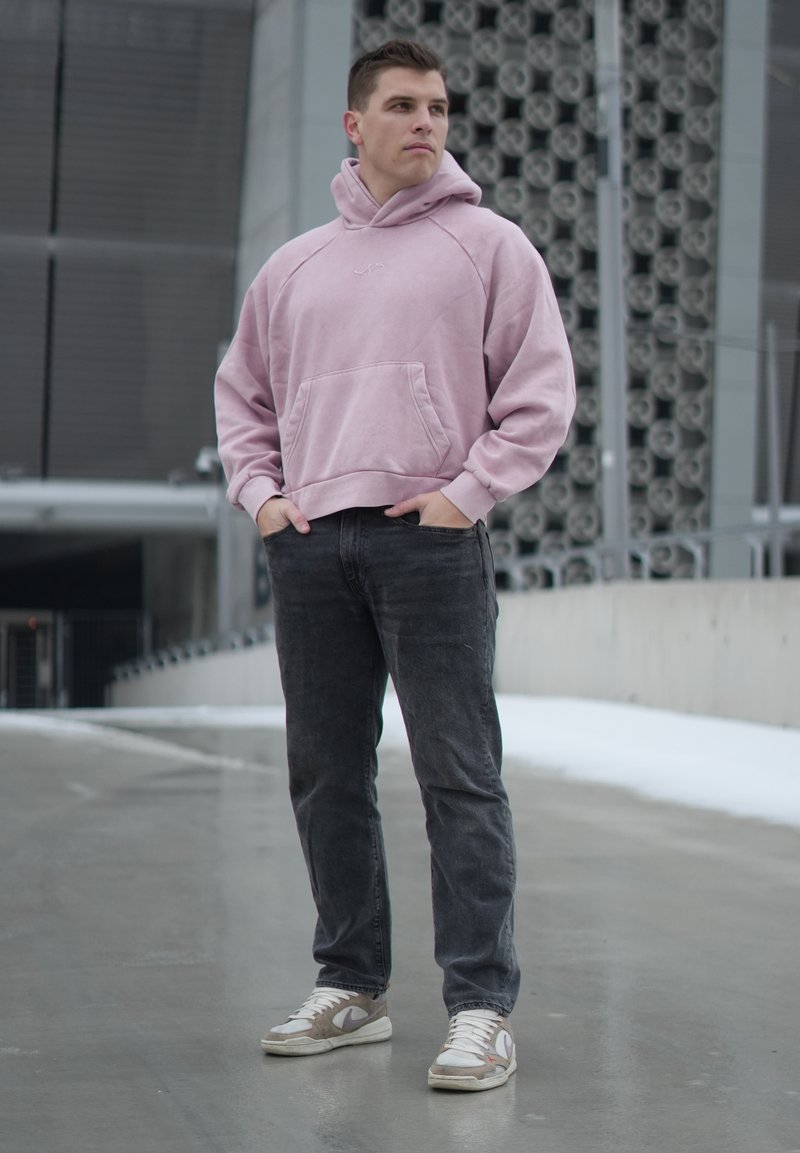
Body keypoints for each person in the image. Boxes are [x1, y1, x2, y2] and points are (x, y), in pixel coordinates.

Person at [215, 38, 575, 1092]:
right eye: (404, 105)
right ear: (353, 124)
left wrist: (466, 493)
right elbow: (244, 400)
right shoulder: (293, 269)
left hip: (428, 540)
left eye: (439, 106)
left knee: (459, 773)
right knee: (327, 772)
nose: (426, 122)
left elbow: (539, 394)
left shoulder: (488, 247)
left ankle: (479, 1006)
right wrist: (265, 500)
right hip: (313, 544)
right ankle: (351, 985)